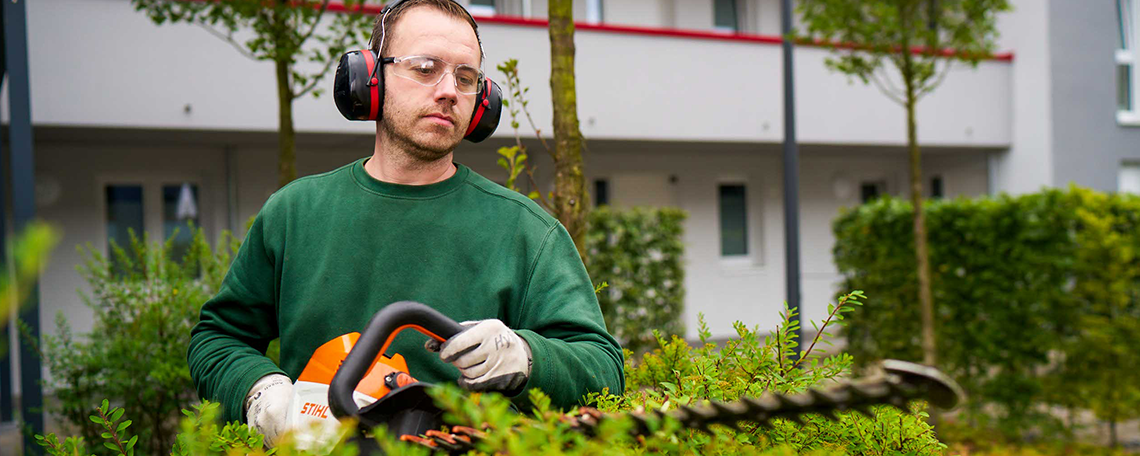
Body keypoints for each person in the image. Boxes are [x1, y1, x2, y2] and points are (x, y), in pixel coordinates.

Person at [186, 0, 624, 445]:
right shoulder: (295, 213)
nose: (449, 89)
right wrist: (260, 392)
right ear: (369, 80)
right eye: (426, 67)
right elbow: (219, 338)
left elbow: (601, 368)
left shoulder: (526, 232)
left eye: (466, 77)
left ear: (482, 101)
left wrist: (528, 358)